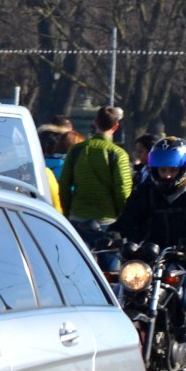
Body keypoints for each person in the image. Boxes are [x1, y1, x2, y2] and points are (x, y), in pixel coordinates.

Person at [107, 137, 186, 368]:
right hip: (148, 260)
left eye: (172, 170)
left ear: (183, 168)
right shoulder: (145, 192)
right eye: (162, 170)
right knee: (120, 292)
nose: (167, 175)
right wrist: (112, 234)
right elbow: (128, 220)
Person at [58, 105, 133, 270]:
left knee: (77, 271)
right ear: (116, 126)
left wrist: (68, 211)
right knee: (110, 274)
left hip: (78, 218)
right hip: (108, 222)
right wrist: (122, 216)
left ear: (95, 122)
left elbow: (64, 185)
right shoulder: (118, 154)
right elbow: (123, 191)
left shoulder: (76, 150)